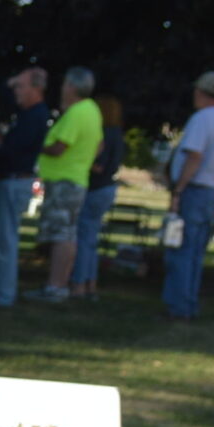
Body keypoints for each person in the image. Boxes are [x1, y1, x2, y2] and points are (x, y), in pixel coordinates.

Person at [160, 70, 214, 321]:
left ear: (199, 92)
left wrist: (178, 189)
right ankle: (189, 303)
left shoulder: (202, 119)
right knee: (195, 254)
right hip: (209, 192)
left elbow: (194, 156)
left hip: (193, 191)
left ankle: (178, 307)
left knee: (180, 251)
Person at [29, 66, 102, 302]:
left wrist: (33, 145)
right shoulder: (92, 110)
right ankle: (59, 284)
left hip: (65, 180)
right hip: (75, 178)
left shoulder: (77, 112)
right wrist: (85, 159)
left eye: (64, 85)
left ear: (72, 87)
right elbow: (99, 145)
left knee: (61, 235)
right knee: (67, 233)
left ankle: (55, 286)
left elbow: (59, 147)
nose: (62, 90)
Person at [0, 67, 51, 308]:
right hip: (11, 179)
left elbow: (12, 150)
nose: (16, 91)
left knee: (6, 241)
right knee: (5, 240)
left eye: (21, 86)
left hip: (14, 180)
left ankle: (2, 296)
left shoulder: (35, 116)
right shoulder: (28, 114)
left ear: (36, 89)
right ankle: (1, 293)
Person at [71, 95, 127, 299]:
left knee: (83, 238)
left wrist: (81, 160)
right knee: (91, 239)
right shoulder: (119, 136)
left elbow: (98, 165)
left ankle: (79, 283)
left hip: (95, 189)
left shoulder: (104, 134)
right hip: (108, 188)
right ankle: (90, 284)